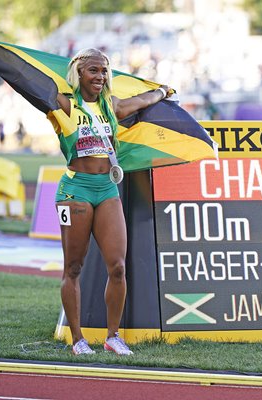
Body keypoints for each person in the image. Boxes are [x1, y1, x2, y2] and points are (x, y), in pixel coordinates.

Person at [49, 48, 172, 355]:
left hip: (107, 190)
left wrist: (161, 91)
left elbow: (141, 102)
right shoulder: (65, 105)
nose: (100, 77)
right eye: (93, 70)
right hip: (74, 192)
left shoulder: (110, 106)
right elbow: (30, 84)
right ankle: (78, 340)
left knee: (117, 267)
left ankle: (112, 336)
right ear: (78, 73)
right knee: (73, 268)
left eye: (104, 71)